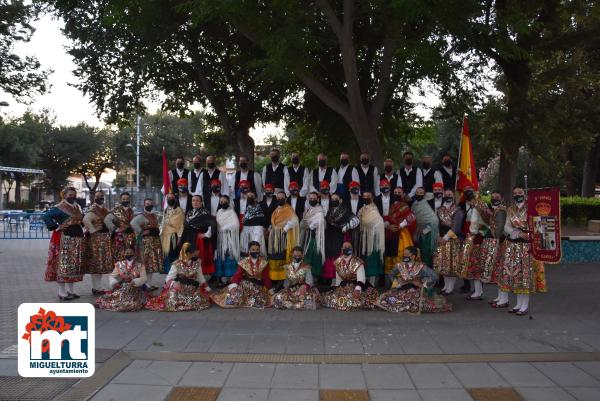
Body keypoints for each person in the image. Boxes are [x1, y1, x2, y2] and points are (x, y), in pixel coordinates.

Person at [496, 186, 547, 316]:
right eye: (515, 193)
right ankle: (518, 304)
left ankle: (525, 306)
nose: (517, 195)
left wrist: (529, 235)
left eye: (520, 193)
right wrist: (517, 233)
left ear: (524, 194)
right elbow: (506, 227)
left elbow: (538, 226)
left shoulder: (532, 208)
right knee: (517, 276)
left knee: (525, 276)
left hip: (527, 247)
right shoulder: (510, 209)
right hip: (513, 245)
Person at [377, 246, 452, 313]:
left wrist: (423, 284)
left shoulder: (421, 266)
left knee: (416, 301)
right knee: (386, 299)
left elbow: (435, 276)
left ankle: (409, 304)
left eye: (407, 254)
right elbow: (391, 275)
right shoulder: (399, 265)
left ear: (413, 256)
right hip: (402, 288)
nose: (404, 256)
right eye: (404, 254)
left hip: (416, 290)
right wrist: (397, 283)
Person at [42, 186, 85, 300]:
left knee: (74, 265)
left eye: (74, 194)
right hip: (64, 238)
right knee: (63, 264)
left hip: (77, 238)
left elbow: (82, 220)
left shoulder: (77, 206)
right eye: (70, 195)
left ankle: (71, 290)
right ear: (64, 195)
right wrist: (56, 226)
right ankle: (62, 292)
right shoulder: (59, 207)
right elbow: (45, 216)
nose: (72, 196)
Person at [146, 243, 212, 311]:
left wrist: (207, 288)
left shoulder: (197, 263)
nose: (196, 256)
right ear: (188, 253)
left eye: (197, 254)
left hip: (193, 289)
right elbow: (169, 278)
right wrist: (174, 284)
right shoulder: (177, 263)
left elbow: (200, 277)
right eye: (195, 254)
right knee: (171, 303)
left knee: (199, 302)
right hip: (179, 289)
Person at [211, 241, 272, 308]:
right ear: (249, 251)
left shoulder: (264, 263)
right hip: (246, 285)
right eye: (253, 250)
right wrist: (234, 286)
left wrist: (270, 289)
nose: (255, 251)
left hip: (259, 287)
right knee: (234, 298)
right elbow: (237, 275)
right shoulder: (244, 262)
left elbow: (266, 277)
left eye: (257, 249)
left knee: (263, 301)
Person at [322, 242, 378, 311]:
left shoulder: (358, 262)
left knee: (363, 299)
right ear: (342, 249)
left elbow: (361, 278)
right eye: (345, 247)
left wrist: (357, 290)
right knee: (332, 297)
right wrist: (336, 289)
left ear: (352, 249)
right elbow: (338, 279)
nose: (347, 248)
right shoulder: (337, 262)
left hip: (358, 285)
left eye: (349, 247)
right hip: (345, 285)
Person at [459, 186, 489, 301]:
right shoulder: (467, 205)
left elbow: (488, 221)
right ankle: (477, 291)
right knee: (473, 265)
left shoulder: (481, 205)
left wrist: (481, 232)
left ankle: (478, 291)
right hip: (470, 237)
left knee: (477, 265)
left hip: (478, 238)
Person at [323, 194, 360, 286]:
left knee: (340, 257)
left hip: (341, 236)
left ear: (340, 200)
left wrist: (346, 227)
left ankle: (341, 281)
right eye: (332, 199)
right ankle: (332, 280)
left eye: (336, 199)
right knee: (331, 256)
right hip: (331, 237)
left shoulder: (345, 210)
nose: (334, 200)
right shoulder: (330, 211)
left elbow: (356, 220)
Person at [95, 246, 147, 312]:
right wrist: (114, 283)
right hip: (122, 288)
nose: (128, 254)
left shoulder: (140, 265)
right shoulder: (119, 264)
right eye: (127, 253)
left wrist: (135, 281)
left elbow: (144, 278)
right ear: (124, 254)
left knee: (133, 303)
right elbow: (112, 276)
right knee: (114, 299)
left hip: (135, 288)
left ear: (134, 254)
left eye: (130, 253)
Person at [433, 189, 464, 295]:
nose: (448, 196)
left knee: (451, 265)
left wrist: (445, 237)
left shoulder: (458, 210)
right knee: (443, 264)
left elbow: (456, 227)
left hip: (452, 239)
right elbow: (436, 224)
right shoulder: (439, 209)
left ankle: (450, 287)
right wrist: (437, 236)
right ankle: (446, 286)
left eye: (450, 194)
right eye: (446, 194)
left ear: (454, 197)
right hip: (440, 238)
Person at [481, 191, 508, 307]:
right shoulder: (496, 210)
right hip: (497, 243)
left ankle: (504, 299)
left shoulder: (501, 211)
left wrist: (495, 240)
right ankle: (500, 297)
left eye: (497, 197)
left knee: (502, 271)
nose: (494, 199)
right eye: (492, 197)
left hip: (500, 244)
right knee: (498, 272)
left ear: (502, 198)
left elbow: (499, 230)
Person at [83, 190, 112, 295]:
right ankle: (96, 287)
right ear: (94, 198)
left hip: (104, 238)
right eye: (98, 196)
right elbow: (86, 220)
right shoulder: (92, 209)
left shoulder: (105, 209)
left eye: (102, 196)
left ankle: (98, 287)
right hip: (96, 239)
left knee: (100, 263)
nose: (100, 198)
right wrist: (93, 230)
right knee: (96, 263)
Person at [268, 191, 300, 286]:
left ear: (286, 198)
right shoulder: (276, 210)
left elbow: (295, 220)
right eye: (278, 198)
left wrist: (285, 229)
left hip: (283, 238)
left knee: (282, 256)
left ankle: (283, 281)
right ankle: (276, 279)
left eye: (282, 197)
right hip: (274, 237)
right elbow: (274, 222)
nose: (280, 199)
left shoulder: (289, 209)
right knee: (275, 257)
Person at [383, 186, 416, 276]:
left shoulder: (405, 206)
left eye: (399, 192)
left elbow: (411, 217)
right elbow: (387, 218)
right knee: (391, 254)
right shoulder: (392, 205)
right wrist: (389, 226)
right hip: (391, 233)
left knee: (401, 255)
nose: (397, 194)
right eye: (395, 192)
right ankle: (393, 278)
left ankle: (403, 277)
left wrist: (399, 226)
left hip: (401, 233)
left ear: (403, 194)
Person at [179, 195, 216, 277]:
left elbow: (212, 224)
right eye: (193, 200)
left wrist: (206, 235)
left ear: (201, 202)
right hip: (188, 237)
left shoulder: (205, 212)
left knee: (198, 258)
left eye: (197, 200)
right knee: (188, 257)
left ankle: (200, 278)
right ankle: (190, 275)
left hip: (199, 240)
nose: (195, 202)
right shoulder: (189, 212)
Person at [131, 198, 164, 289]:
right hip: (146, 242)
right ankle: (144, 284)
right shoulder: (141, 215)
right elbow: (133, 223)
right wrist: (141, 231)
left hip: (154, 241)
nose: (149, 205)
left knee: (151, 264)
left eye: (150, 203)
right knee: (145, 263)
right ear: (144, 205)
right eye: (147, 203)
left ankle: (148, 284)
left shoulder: (153, 215)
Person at [358, 191, 385, 287]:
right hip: (364, 239)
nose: (365, 197)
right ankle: (365, 282)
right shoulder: (362, 209)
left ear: (372, 198)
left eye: (368, 196)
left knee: (372, 260)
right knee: (365, 260)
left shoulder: (374, 209)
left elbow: (379, 222)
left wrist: (368, 225)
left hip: (373, 240)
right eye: (364, 196)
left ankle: (373, 283)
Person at [215, 195, 240, 284]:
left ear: (228, 202)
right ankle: (222, 279)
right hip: (220, 239)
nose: (223, 203)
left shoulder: (232, 212)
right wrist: (220, 229)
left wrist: (224, 228)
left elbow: (236, 224)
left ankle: (231, 279)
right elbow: (216, 224)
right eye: (221, 201)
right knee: (221, 257)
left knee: (229, 255)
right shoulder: (218, 212)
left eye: (225, 201)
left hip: (229, 239)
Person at [300, 192, 326, 278]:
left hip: (315, 237)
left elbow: (319, 222)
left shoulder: (320, 210)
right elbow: (304, 221)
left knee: (314, 257)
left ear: (318, 199)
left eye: (314, 199)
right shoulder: (307, 209)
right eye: (310, 199)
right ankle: (306, 277)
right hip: (306, 236)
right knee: (306, 256)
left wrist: (309, 225)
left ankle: (314, 279)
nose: (312, 200)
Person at [411, 187, 439, 268]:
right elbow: (415, 219)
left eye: (421, 193)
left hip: (429, 232)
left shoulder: (426, 204)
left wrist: (425, 230)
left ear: (424, 194)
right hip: (420, 232)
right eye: (417, 192)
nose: (419, 194)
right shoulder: (414, 204)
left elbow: (434, 220)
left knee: (428, 252)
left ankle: (429, 272)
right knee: (422, 252)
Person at [104, 192, 136, 262]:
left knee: (130, 252)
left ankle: (129, 268)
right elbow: (107, 220)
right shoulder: (116, 210)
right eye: (123, 199)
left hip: (130, 235)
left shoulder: (131, 210)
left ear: (130, 199)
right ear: (120, 200)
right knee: (120, 252)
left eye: (127, 199)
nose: (125, 200)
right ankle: (119, 268)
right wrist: (115, 229)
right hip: (120, 235)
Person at [160, 193, 185, 273]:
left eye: (172, 197)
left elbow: (179, 225)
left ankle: (173, 272)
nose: (170, 199)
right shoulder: (166, 210)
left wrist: (179, 237)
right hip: (164, 235)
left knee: (172, 254)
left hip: (174, 235)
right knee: (165, 253)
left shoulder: (179, 210)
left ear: (175, 199)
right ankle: (166, 270)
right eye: (169, 197)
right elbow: (163, 222)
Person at [241, 191, 268, 256]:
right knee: (246, 248)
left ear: (255, 198)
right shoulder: (247, 208)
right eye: (248, 197)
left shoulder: (262, 206)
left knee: (258, 246)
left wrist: (265, 228)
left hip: (257, 230)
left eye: (251, 196)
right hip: (246, 230)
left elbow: (264, 219)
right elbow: (244, 220)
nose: (249, 198)